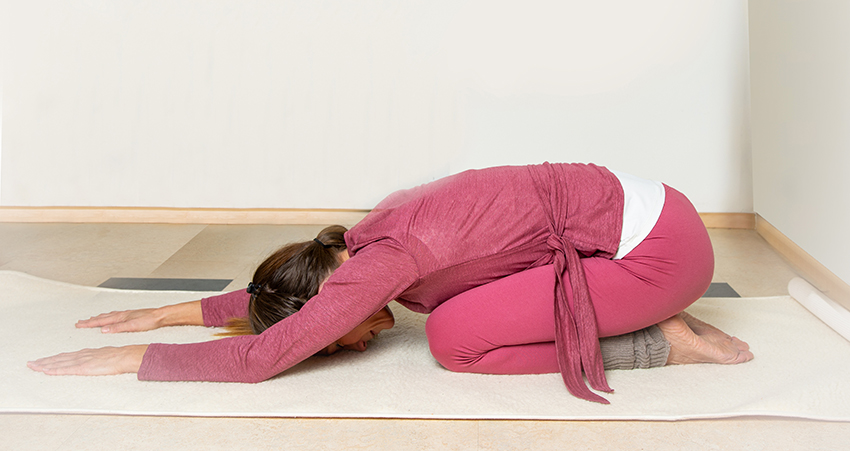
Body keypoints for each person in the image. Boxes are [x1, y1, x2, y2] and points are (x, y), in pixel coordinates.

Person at [28, 163, 753, 403]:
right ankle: (645, 320)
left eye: (334, 343)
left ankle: (663, 342)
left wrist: (135, 361)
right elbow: (291, 306)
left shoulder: (381, 265)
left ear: (332, 300)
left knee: (456, 337)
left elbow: (263, 357)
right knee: (462, 312)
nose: (351, 345)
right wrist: (167, 314)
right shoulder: (363, 237)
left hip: (659, 255)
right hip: (662, 215)